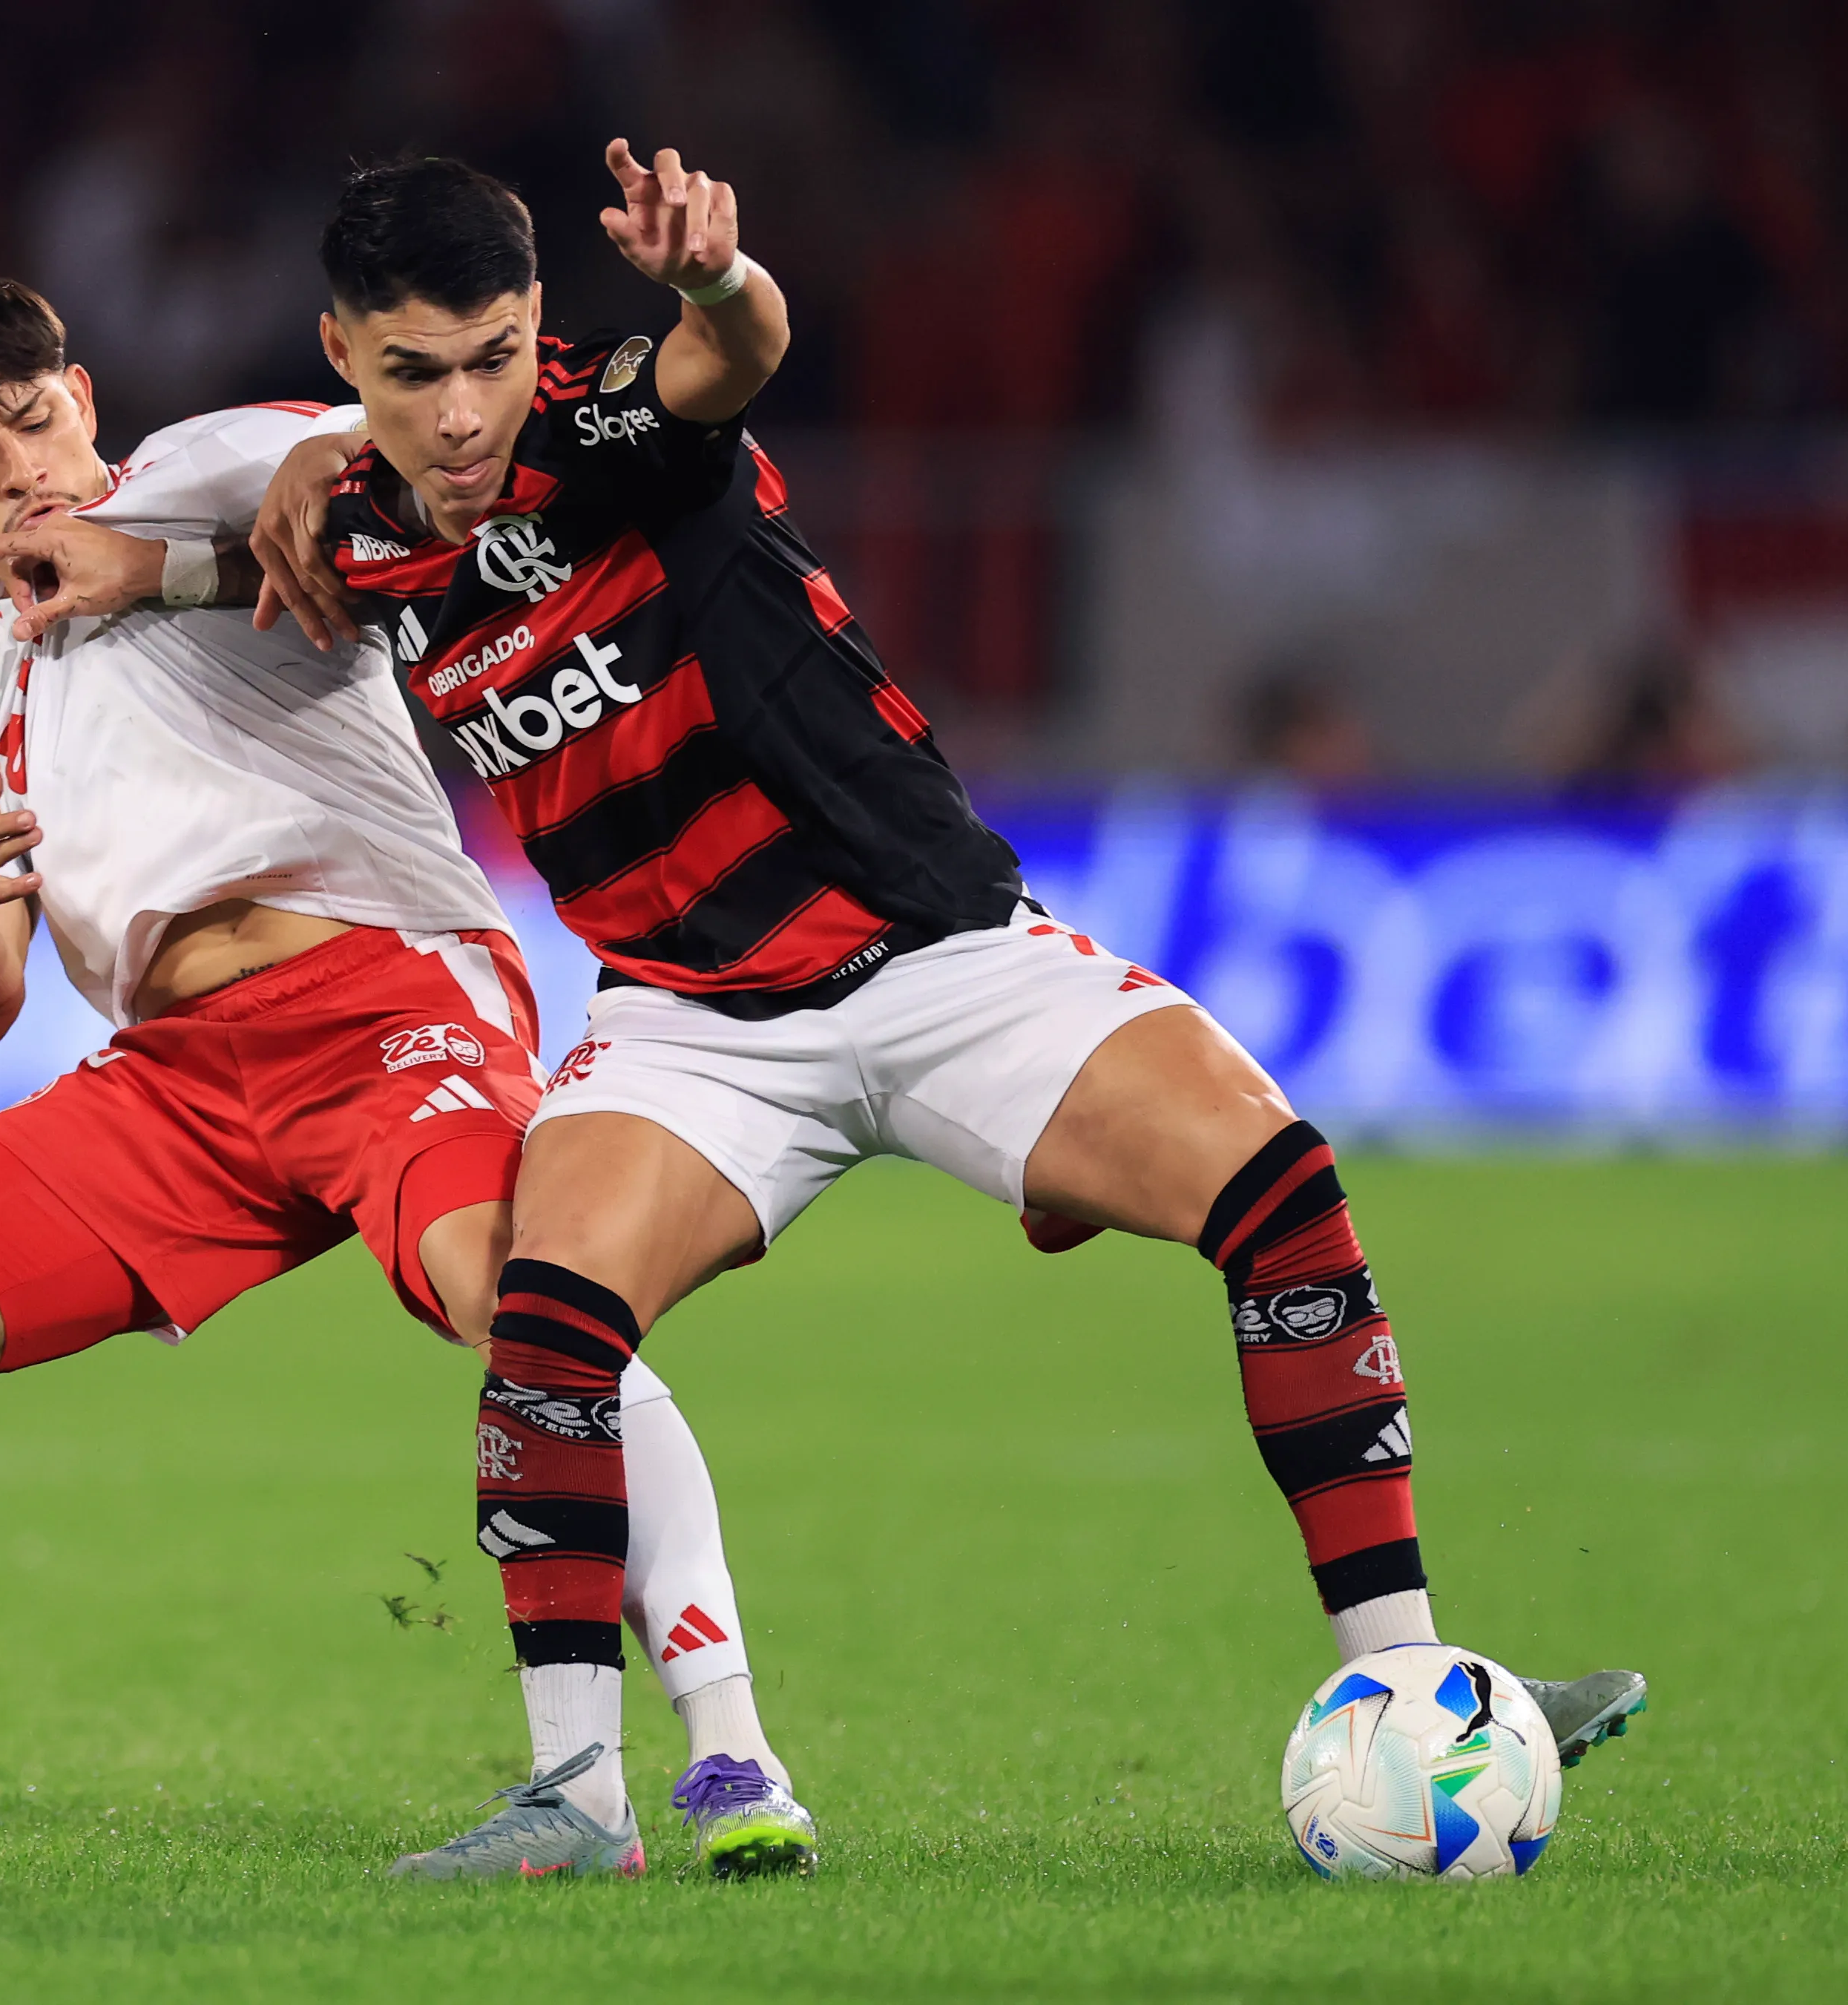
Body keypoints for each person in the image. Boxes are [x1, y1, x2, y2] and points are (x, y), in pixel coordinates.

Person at [245, 147, 1649, 1878]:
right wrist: (145, 557)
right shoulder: (355, 530)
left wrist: (712, 281)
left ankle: (1405, 1685)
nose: (459, 415)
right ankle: (575, 1793)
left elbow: (727, 357)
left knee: (1283, 1198)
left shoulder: (603, 427)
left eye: (493, 357)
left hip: (936, 953)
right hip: (689, 1020)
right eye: (408, 375)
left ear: (539, 333)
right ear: (341, 354)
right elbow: (223, 545)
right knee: (546, 1328)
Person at [0, 260, 818, 1879]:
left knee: (524, 1305)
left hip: (387, 1003)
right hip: (174, 1079)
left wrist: (327, 464)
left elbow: (413, 463)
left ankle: (721, 1756)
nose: (21, 466)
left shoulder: (208, 468)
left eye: (35, 420)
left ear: (84, 397)